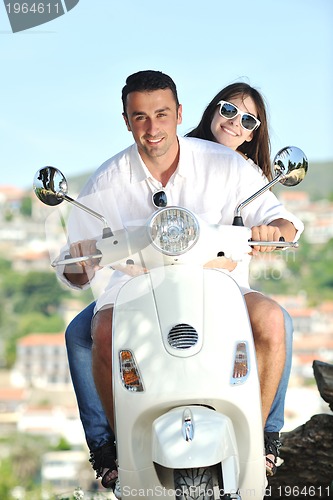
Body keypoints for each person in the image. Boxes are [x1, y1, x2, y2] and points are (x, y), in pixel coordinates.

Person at [60, 71, 303, 488]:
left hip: (219, 285)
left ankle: (261, 439)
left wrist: (274, 230)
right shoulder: (106, 180)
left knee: (273, 320)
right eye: (140, 117)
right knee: (99, 329)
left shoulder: (226, 164)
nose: (152, 129)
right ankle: (116, 450)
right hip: (136, 288)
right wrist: (79, 261)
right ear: (126, 119)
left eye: (161, 114)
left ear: (179, 114)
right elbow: (72, 266)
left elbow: (282, 220)